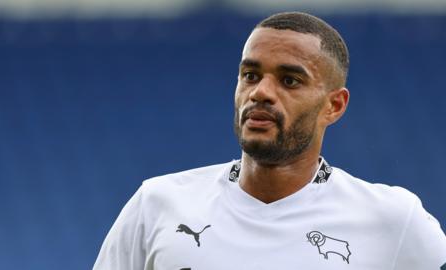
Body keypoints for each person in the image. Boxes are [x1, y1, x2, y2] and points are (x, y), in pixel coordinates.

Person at [93, 12, 446, 269]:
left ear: (333, 106)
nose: (260, 92)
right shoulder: (157, 205)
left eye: (290, 80)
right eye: (250, 75)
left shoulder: (394, 220)